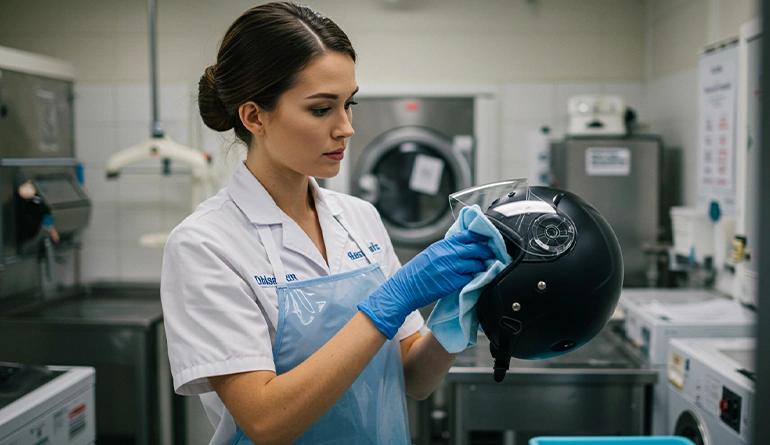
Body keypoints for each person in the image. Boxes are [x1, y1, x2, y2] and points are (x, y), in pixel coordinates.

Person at [160, 3, 494, 444]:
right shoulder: (206, 244)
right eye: (321, 109)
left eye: (348, 104)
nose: (346, 128)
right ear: (254, 116)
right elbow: (265, 421)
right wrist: (389, 303)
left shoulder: (359, 218)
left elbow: (414, 378)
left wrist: (457, 314)